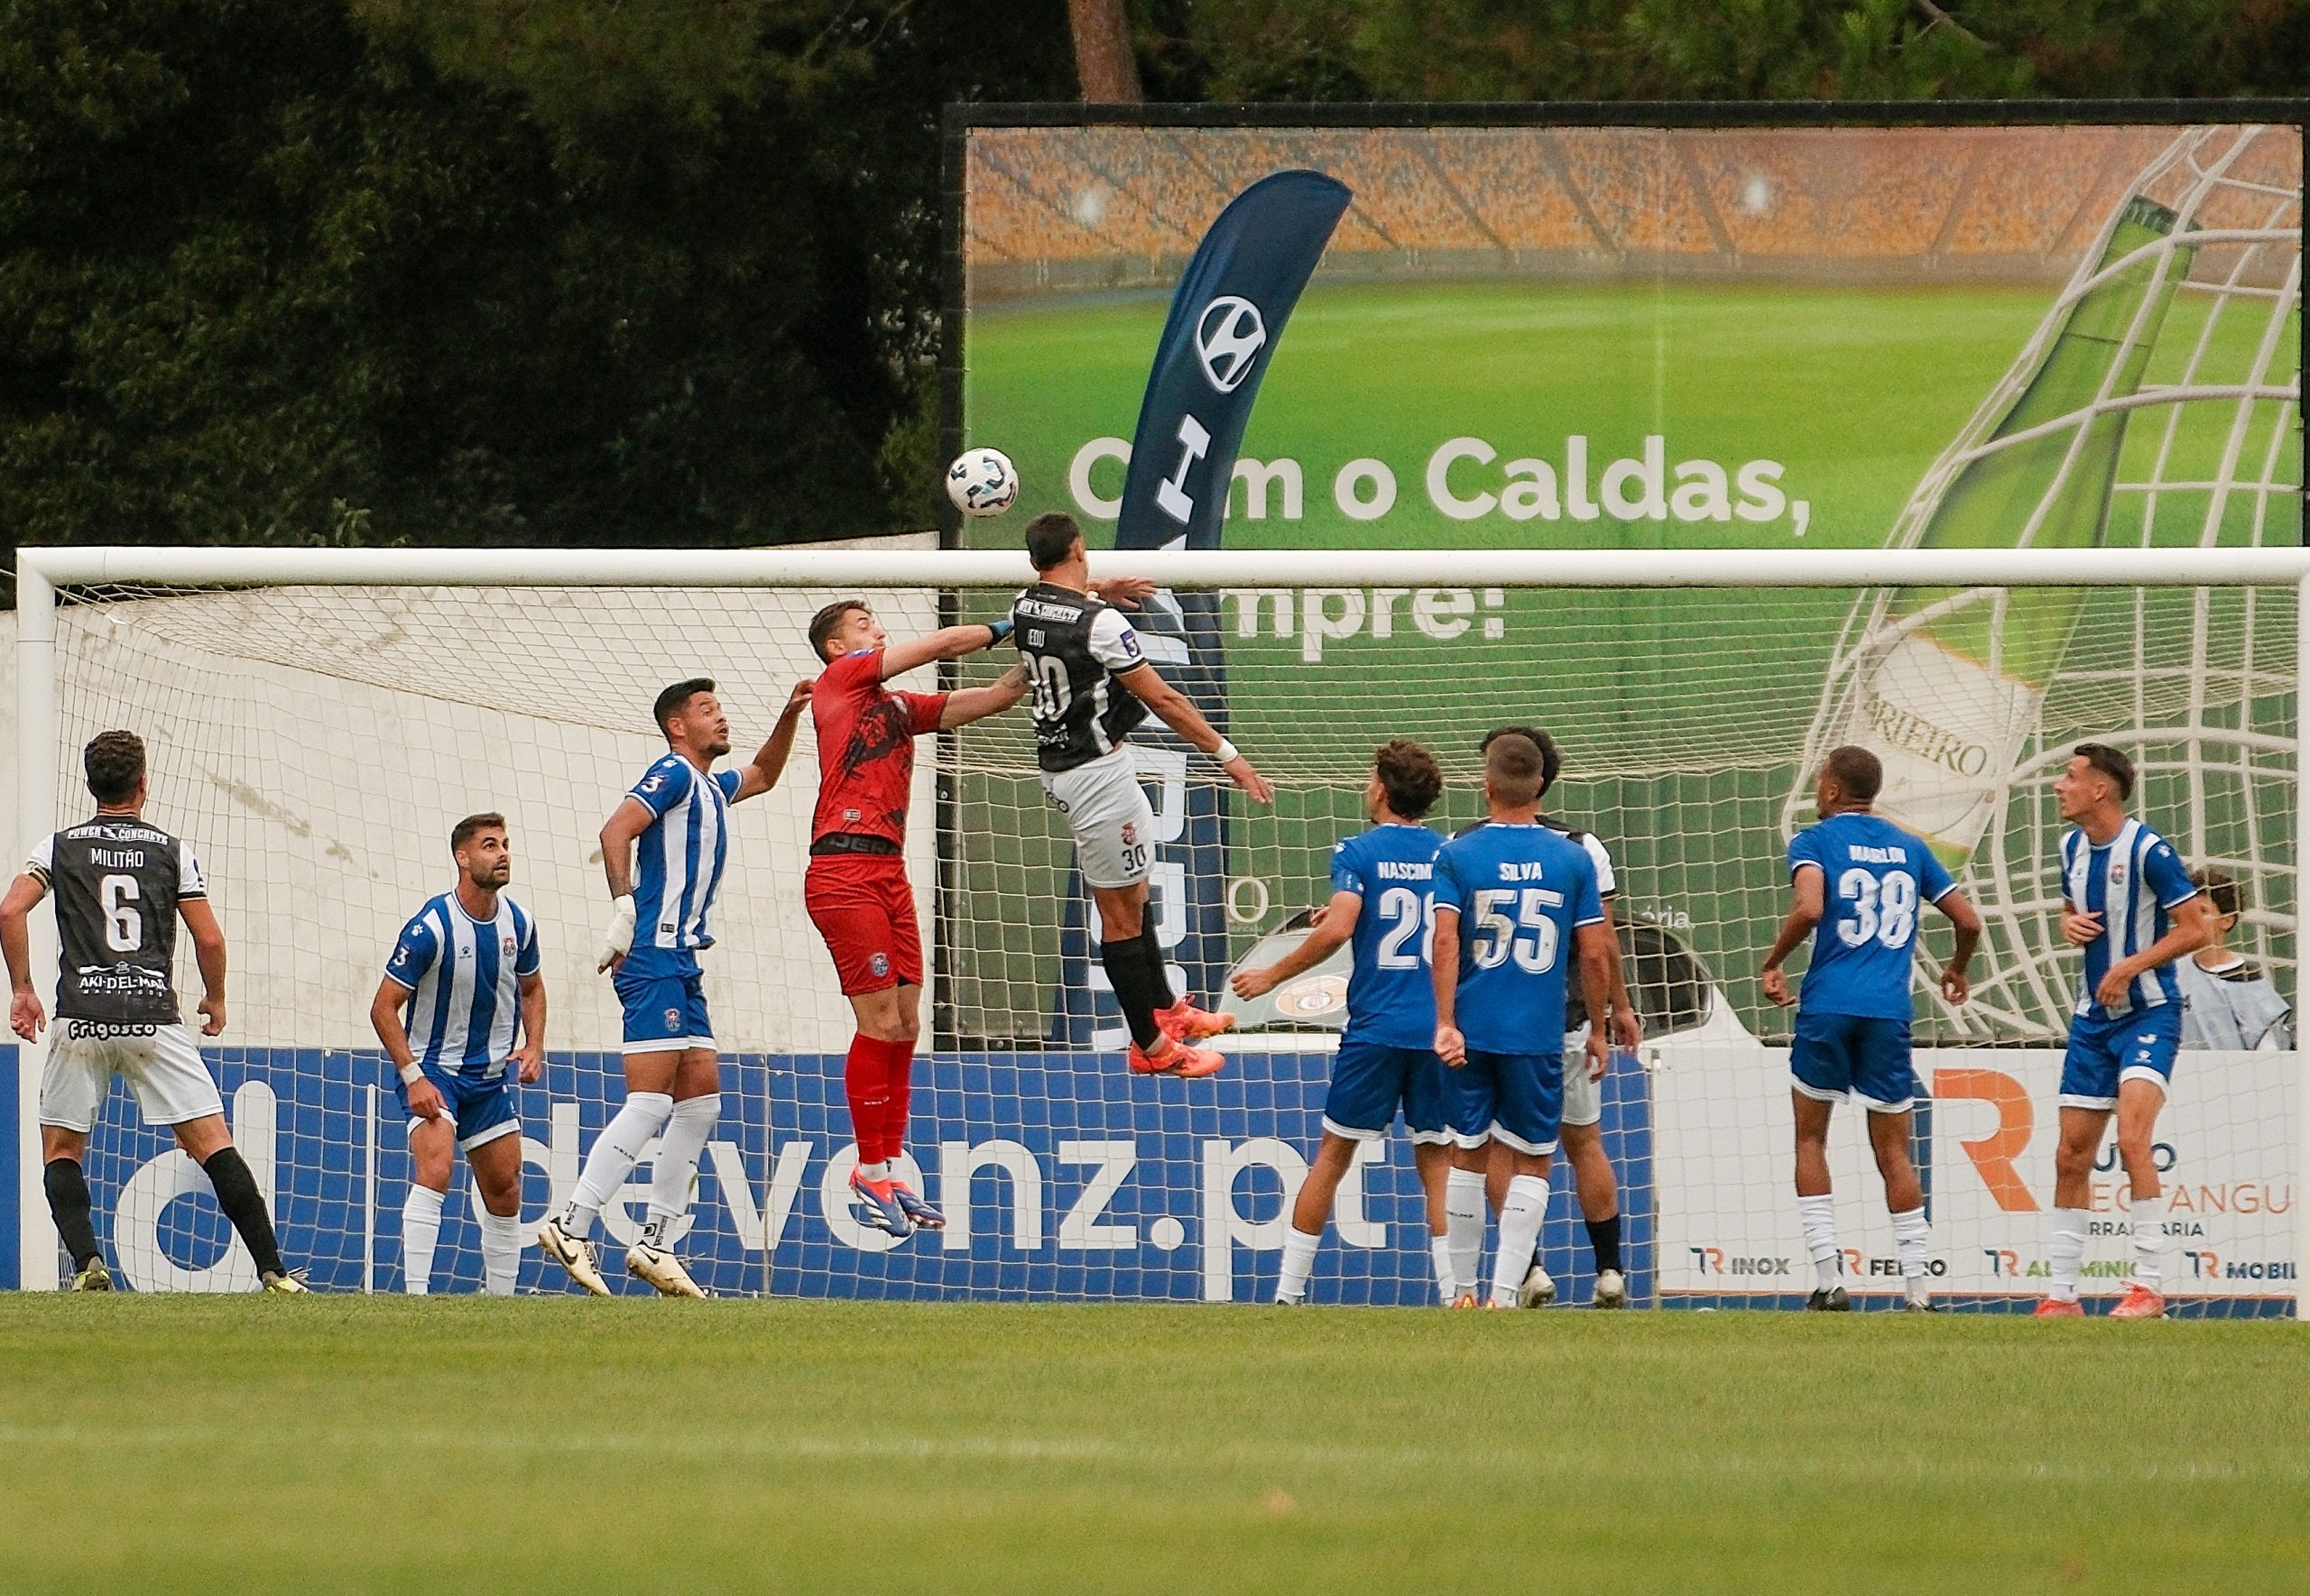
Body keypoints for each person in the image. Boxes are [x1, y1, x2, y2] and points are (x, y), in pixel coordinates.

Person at [1, 730, 304, 1292]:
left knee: (62, 1147)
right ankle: (274, 1271)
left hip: (82, 1016)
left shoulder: (58, 847)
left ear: (91, 786)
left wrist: (23, 988)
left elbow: (10, 910)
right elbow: (208, 940)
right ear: (144, 784)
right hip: (152, 1019)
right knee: (213, 1142)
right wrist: (215, 998)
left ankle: (89, 1262)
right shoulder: (171, 850)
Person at [539, 677, 809, 1297]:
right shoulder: (675, 774)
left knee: (700, 1104)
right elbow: (615, 831)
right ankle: (571, 1223)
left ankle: (657, 1242)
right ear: (676, 727)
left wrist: (790, 714)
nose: (720, 717)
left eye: (720, 707)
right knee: (652, 1102)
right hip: (653, 955)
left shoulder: (712, 787)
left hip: (683, 961)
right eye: (706, 709)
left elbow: (765, 773)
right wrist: (624, 908)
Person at [1011, 512, 1272, 1077]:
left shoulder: (1026, 605)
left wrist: (1104, 587)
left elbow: (1061, 599)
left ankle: (1168, 1009)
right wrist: (1230, 758)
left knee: (1135, 897)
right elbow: (1169, 702)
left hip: (1072, 765)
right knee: (1121, 916)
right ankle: (1152, 1048)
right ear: (1080, 548)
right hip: (1095, 779)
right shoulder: (1100, 625)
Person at [804, 598, 1026, 1238]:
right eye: (862, 622)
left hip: (889, 873)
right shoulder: (840, 681)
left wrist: (1044, 648)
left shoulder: (895, 707)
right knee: (877, 1021)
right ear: (836, 647)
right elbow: (939, 645)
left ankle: (889, 1166)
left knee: (906, 1022)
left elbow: (990, 698)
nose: (876, 627)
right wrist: (1007, 623)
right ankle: (868, 1167)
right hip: (844, 870)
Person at [1230, 741, 1457, 1305]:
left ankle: (1287, 1295)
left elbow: (1339, 931)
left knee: (1332, 1157)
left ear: (1381, 788)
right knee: (1438, 1162)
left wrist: (1271, 976)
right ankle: (1461, 1294)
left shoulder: (1357, 851)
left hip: (1377, 1028)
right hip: (1438, 1029)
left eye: (1368, 777)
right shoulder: (1451, 854)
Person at [1759, 746, 1980, 1313]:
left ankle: (1831, 1281)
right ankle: (1918, 1292)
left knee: (1810, 1138)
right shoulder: (1910, 846)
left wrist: (1774, 960)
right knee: (1895, 1152)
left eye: (1818, 781)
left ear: (1833, 789)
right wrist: (1956, 969)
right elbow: (1969, 920)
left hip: (1829, 1006)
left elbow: (1809, 908)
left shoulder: (1814, 841)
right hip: (1887, 1012)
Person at [1429, 732, 1615, 1309]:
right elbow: (1593, 951)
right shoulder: (1573, 857)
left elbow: (1444, 940)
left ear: (1486, 786)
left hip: (1475, 1029)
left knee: (1468, 1151)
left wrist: (1445, 1021)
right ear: (1540, 786)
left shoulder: (1457, 853)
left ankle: (1461, 1292)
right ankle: (1505, 1294)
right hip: (1539, 1033)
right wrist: (1602, 1027)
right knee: (1537, 1159)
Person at [2035, 743, 2213, 1320]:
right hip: (2092, 1020)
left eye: (2069, 776)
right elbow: (2073, 909)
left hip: (2150, 1012)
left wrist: (2132, 965)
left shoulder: (2147, 850)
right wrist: (2069, 923)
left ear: (2100, 789)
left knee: (2133, 1139)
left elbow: (2196, 930)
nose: (2059, 786)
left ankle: (2148, 1288)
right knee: (2070, 1155)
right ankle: (2062, 1298)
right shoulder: (2070, 847)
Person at [369, 813, 545, 1296]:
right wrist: (413, 1077)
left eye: (506, 844)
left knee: (506, 1190)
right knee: (437, 1170)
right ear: (462, 857)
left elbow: (531, 989)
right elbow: (383, 1008)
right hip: (435, 1073)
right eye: (490, 845)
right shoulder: (431, 927)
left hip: (488, 1079)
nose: (503, 853)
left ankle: (503, 1301)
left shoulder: (520, 923)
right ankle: (417, 1298)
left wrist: (534, 1045)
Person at [2175, 866, 2290, 1051]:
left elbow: (2269, 1053)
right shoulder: (2172, 974)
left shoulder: (2249, 982)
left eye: (2203, 911)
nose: (2193, 919)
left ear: (2227, 921)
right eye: (2190, 911)